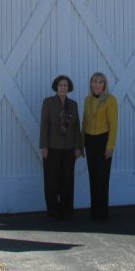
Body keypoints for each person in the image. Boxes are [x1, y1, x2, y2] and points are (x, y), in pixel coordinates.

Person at [39, 75, 80, 219]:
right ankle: (53, 210)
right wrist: (43, 146)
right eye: (61, 85)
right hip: (52, 147)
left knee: (67, 179)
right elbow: (44, 125)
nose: (63, 87)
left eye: (66, 85)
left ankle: (66, 210)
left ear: (69, 88)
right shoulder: (49, 102)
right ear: (56, 87)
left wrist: (78, 147)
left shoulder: (73, 104)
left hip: (69, 148)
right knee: (51, 180)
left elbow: (76, 127)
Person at [81, 71, 118, 220]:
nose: (97, 84)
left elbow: (114, 126)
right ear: (91, 83)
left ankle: (102, 214)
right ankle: (94, 211)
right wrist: (81, 143)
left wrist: (110, 147)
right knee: (93, 177)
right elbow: (84, 123)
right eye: (95, 81)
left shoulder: (110, 100)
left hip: (103, 141)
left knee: (102, 178)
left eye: (100, 82)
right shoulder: (87, 99)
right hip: (90, 141)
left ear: (104, 85)